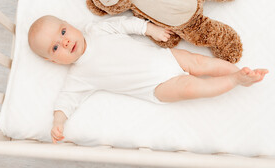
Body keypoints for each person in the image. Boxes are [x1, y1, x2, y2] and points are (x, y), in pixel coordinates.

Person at [28, 15, 268, 144]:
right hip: (156, 88)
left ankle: (237, 70)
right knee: (190, 88)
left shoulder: (97, 30)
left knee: (199, 62)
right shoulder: (78, 76)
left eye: (63, 32)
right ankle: (236, 80)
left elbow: (126, 24)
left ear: (70, 25)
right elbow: (66, 100)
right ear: (53, 61)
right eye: (55, 47)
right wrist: (57, 122)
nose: (66, 42)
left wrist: (150, 30)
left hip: (165, 59)